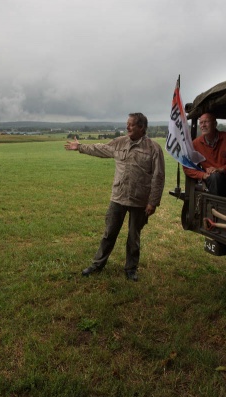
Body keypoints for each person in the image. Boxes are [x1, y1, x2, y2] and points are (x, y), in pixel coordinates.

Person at [64, 112, 165, 281]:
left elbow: (158, 176)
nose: (127, 127)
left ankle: (131, 269)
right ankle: (97, 265)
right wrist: (80, 147)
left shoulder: (153, 148)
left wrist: (153, 202)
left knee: (134, 237)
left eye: (131, 124)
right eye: (127, 124)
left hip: (140, 201)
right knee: (109, 233)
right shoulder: (119, 143)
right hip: (118, 197)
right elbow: (101, 148)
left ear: (141, 127)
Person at [182, 112, 226, 196]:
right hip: (212, 181)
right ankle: (216, 206)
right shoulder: (196, 144)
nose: (203, 125)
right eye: (201, 122)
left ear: (215, 124)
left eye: (206, 122)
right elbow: (187, 166)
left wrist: (221, 169)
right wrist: (202, 175)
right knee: (215, 177)